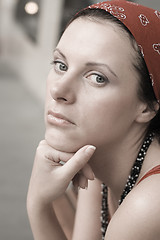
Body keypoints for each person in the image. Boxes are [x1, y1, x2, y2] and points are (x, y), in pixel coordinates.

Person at [27, 1, 160, 239]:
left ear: (148, 107)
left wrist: (37, 205)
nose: (59, 89)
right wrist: (45, 200)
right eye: (61, 65)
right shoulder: (98, 160)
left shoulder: (149, 205)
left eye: (97, 78)